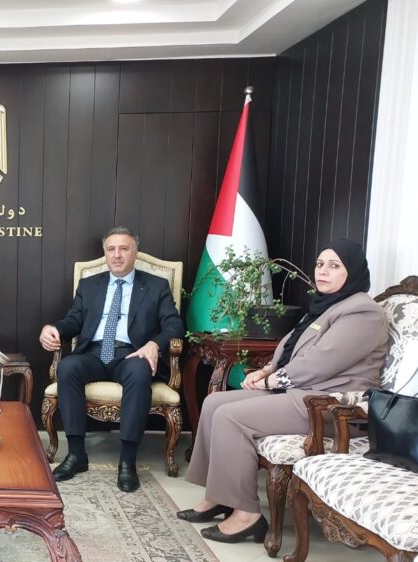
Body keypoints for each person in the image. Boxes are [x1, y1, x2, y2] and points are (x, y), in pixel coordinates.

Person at [179, 240, 388, 543]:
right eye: (319, 264)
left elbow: (320, 363)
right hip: (300, 393)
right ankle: (219, 496)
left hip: (329, 404)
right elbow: (292, 346)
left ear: (353, 271)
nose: (323, 271)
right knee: (214, 403)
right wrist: (266, 370)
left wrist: (272, 382)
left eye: (334, 266)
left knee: (230, 417)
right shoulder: (327, 304)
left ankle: (247, 516)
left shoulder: (363, 313)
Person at [39, 227, 184, 491]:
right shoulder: (89, 285)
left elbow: (174, 326)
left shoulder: (156, 286)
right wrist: (53, 329)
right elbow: (74, 320)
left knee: (140, 371)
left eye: (123, 249)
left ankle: (127, 461)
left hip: (131, 354)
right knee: (68, 367)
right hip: (94, 353)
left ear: (135, 253)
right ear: (105, 253)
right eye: (111, 249)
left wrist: (154, 345)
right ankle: (76, 455)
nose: (117, 255)